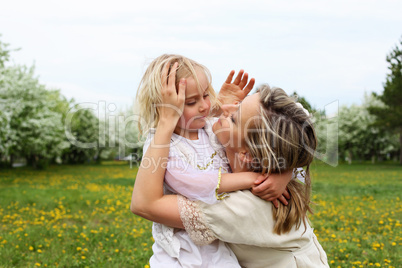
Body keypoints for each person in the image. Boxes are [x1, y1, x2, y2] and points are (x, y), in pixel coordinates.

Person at [131, 68, 329, 267]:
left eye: (235, 117)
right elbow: (297, 131)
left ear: (247, 154)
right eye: (238, 104)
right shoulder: (267, 167)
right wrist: (284, 173)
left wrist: (165, 123)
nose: (227, 108)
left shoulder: (241, 206)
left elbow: (144, 205)